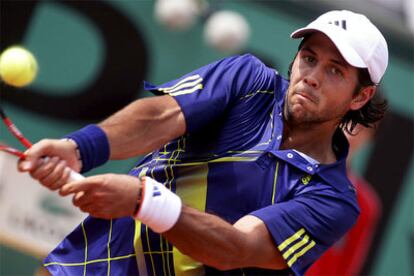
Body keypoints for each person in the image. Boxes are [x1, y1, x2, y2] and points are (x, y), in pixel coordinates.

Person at [18, 10, 388, 275]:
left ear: (360, 96)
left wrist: (143, 199)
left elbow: (236, 249)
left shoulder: (333, 200)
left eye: (335, 70)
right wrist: (82, 148)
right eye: (309, 58)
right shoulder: (248, 80)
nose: (311, 77)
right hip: (87, 266)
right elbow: (161, 116)